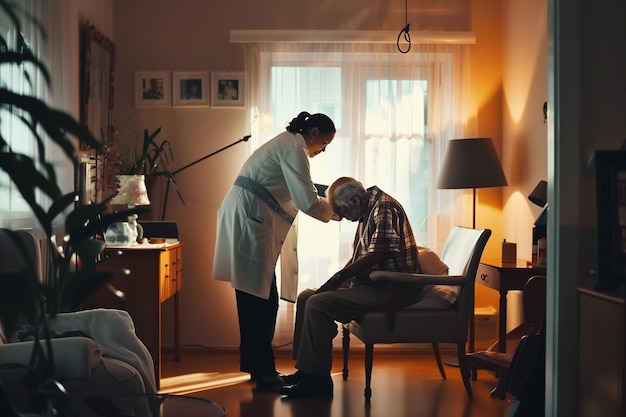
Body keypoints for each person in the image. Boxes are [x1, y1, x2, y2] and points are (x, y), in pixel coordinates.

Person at [212, 111, 338, 393]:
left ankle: (259, 369)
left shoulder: (288, 144)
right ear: (314, 133)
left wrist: (329, 195)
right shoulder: (295, 148)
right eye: (324, 143)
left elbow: (298, 188)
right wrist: (337, 209)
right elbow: (306, 199)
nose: (323, 150)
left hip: (249, 218)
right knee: (259, 301)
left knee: (258, 299)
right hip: (249, 221)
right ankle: (263, 371)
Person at [280, 177, 425, 398]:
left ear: (355, 199)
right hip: (374, 283)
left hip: (394, 288)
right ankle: (307, 372)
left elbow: (377, 255)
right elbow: (359, 257)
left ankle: (318, 382)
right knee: (306, 296)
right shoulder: (368, 208)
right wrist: (335, 280)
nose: (342, 217)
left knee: (318, 304)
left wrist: (338, 278)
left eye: (342, 210)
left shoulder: (384, 208)